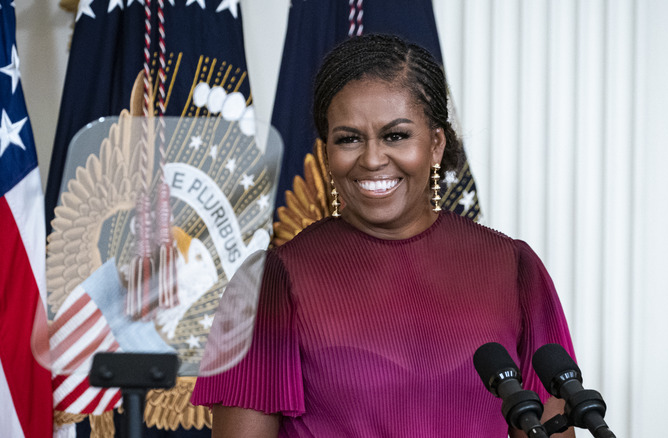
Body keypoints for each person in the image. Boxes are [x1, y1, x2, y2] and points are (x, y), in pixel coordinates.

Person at [191, 33, 576, 438]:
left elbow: (547, 426)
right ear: (326, 155)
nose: (373, 159)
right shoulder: (266, 286)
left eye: (396, 135)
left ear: (436, 145)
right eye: (349, 138)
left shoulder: (514, 269)